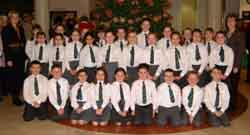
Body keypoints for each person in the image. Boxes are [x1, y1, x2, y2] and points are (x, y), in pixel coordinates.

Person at [2, 10, 26, 106]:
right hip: (12, 56)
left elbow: (23, 41)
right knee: (13, 78)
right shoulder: (6, 29)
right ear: (10, 18)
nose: (15, 18)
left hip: (20, 56)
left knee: (20, 76)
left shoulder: (20, 28)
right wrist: (8, 59)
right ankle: (15, 98)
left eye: (17, 16)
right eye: (13, 17)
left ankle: (17, 95)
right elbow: (5, 45)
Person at [209, 31, 234, 110]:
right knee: (215, 88)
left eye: (222, 37)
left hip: (225, 70)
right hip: (216, 70)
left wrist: (225, 75)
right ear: (215, 39)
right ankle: (215, 104)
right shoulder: (214, 50)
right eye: (218, 37)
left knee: (227, 89)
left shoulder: (229, 50)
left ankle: (227, 106)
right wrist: (215, 73)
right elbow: (211, 62)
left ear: (225, 38)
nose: (220, 39)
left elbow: (230, 63)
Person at [225, 13, 245, 111]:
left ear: (235, 22)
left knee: (233, 87)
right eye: (228, 21)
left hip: (234, 65)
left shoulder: (240, 34)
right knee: (225, 86)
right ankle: (225, 104)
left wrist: (237, 66)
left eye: (232, 21)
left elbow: (241, 51)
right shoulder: (225, 33)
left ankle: (232, 106)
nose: (230, 22)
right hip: (224, 64)